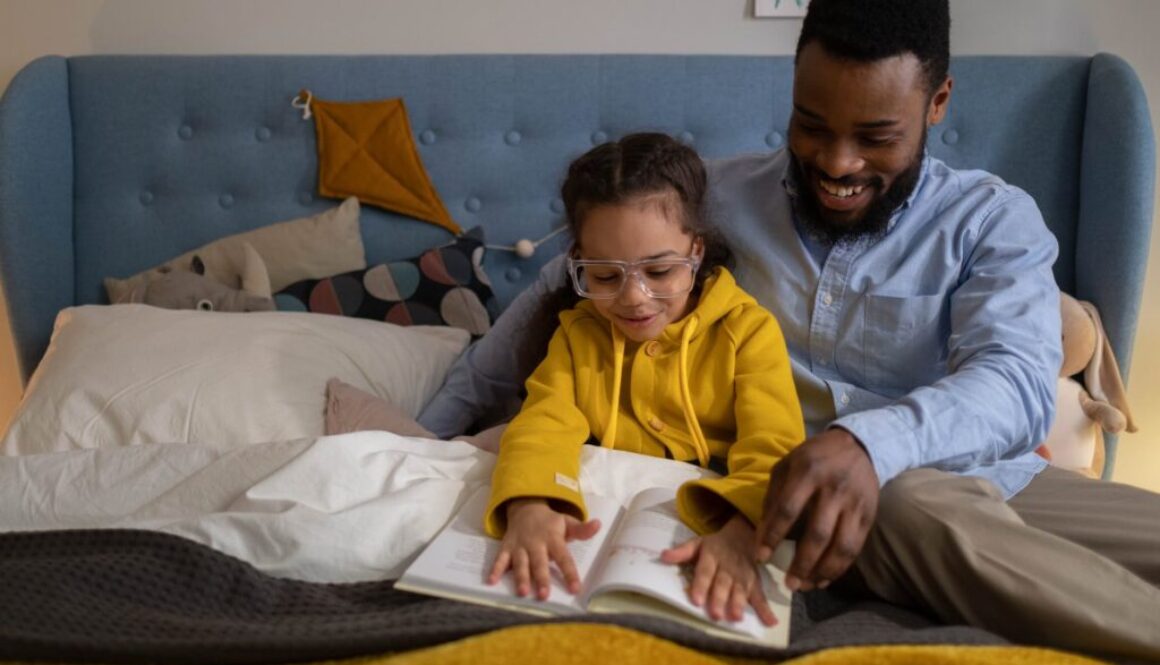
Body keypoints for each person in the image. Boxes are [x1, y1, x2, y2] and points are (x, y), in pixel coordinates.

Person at [421, 0, 1160, 658]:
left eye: (876, 137)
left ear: (938, 103)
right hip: (851, 503)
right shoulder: (708, 200)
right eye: (812, 126)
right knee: (904, 501)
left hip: (994, 474)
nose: (837, 163)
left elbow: (1020, 383)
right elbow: (571, 281)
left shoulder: (992, 219)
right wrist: (419, 440)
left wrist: (871, 441)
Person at [480, 132, 805, 626]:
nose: (633, 298)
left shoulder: (748, 330)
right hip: (603, 519)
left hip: (708, 519)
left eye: (658, 271)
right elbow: (542, 423)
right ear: (578, 262)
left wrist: (744, 531)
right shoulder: (579, 335)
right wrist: (528, 504)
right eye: (606, 276)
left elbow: (775, 448)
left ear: (696, 251)